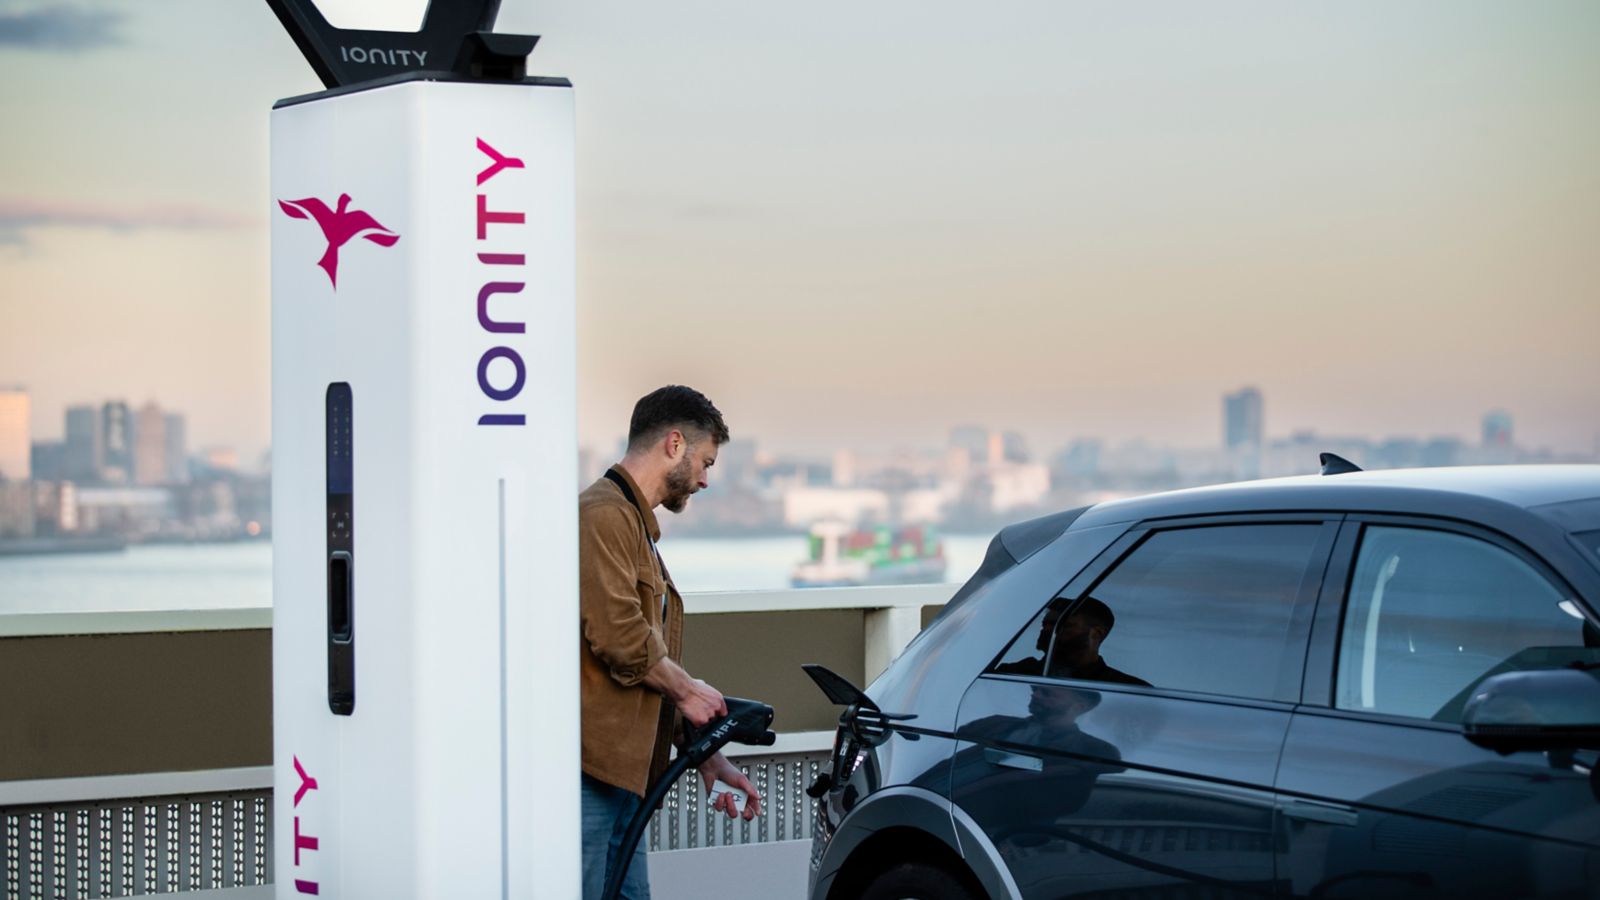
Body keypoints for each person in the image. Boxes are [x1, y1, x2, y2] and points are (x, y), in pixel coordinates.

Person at [577, 385, 762, 900]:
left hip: (626, 778)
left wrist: (703, 755)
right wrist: (688, 691)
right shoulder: (603, 515)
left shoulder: (631, 523)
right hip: (592, 776)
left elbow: (644, 662)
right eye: (705, 461)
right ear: (674, 444)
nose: (705, 478)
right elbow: (619, 635)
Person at [1043, 596, 1151, 687]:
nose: (1047, 631)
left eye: (1063, 626)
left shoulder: (1130, 689)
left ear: (1096, 633)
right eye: (1044, 625)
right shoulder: (1028, 670)